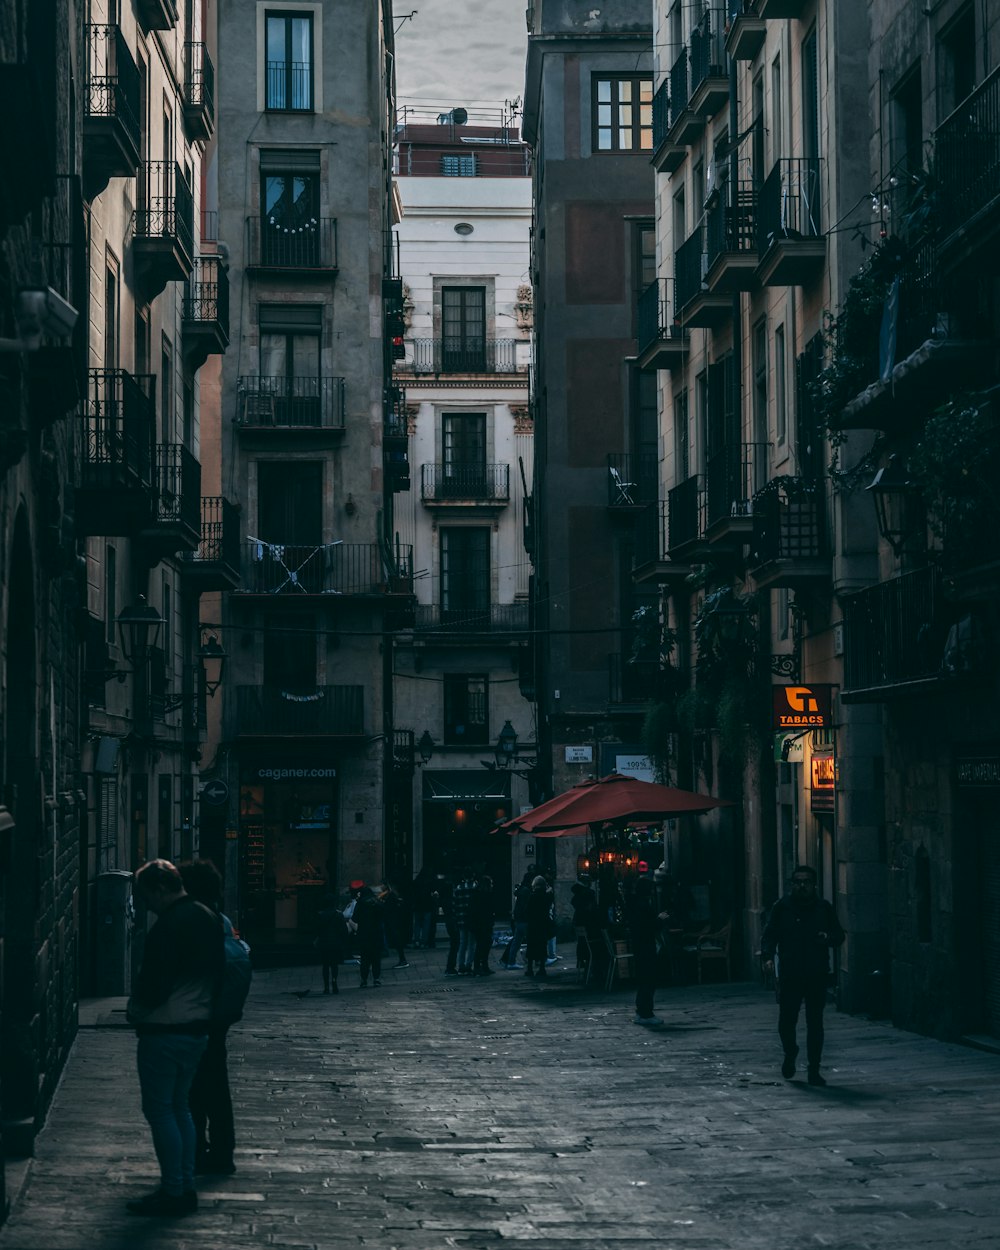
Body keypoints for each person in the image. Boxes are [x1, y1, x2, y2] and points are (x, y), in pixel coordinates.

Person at [125, 859, 224, 1217]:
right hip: (197, 1028)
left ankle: (173, 1190)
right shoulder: (208, 916)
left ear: (160, 888)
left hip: (165, 1028)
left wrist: (136, 1008)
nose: (145, 904)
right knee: (180, 1107)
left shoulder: (168, 926)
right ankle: (183, 1186)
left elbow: (154, 984)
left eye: (146, 895)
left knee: (161, 1110)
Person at [177, 859, 247, 1178]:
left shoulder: (195, 919)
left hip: (198, 1018)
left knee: (193, 1090)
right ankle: (221, 1151)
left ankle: (202, 1151)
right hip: (219, 1019)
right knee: (216, 1089)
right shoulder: (220, 917)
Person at [761, 865, 845, 1087]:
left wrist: (827, 937)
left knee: (815, 1023)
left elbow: (839, 935)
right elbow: (770, 935)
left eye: (806, 882)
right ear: (792, 884)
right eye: (797, 882)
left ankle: (814, 1069)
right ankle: (791, 1051)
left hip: (817, 973)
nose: (802, 886)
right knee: (786, 1021)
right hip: (790, 973)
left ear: (814, 885)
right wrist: (768, 957)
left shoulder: (823, 908)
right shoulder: (782, 908)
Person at [627, 876, 668, 1026]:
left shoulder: (634, 904)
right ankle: (646, 1013)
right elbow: (649, 926)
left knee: (643, 980)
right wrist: (661, 919)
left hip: (639, 946)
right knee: (649, 980)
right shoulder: (644, 905)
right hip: (646, 947)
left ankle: (641, 1011)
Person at [316, 892, 350, 993]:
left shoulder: (320, 915)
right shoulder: (339, 915)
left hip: (324, 942)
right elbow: (344, 930)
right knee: (334, 965)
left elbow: (317, 929)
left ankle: (326, 986)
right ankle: (334, 982)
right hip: (336, 942)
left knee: (325, 965)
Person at [353, 885, 385, 987]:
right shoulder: (377, 902)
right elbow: (383, 916)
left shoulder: (360, 903)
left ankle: (364, 980)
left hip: (364, 934)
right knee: (376, 958)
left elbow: (355, 919)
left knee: (365, 959)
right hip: (376, 934)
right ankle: (376, 978)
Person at [501, 870, 533, 969]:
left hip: (519, 919)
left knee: (517, 940)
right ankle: (525, 960)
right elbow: (525, 907)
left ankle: (511, 961)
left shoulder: (521, 890)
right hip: (524, 919)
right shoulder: (526, 891)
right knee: (528, 940)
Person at [524, 874, 552, 978]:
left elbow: (527, 911)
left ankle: (530, 968)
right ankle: (542, 968)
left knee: (531, 946)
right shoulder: (546, 896)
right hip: (543, 924)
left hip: (533, 925)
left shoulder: (533, 896)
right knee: (542, 946)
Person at [470, 873, 496, 975]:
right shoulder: (485, 895)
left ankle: (480, 966)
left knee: (482, 944)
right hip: (483, 923)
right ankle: (480, 966)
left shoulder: (476, 894)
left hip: (479, 923)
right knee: (483, 944)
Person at [380, 880, 410, 969]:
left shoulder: (391, 896)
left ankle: (403, 960)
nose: (381, 887)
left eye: (382, 885)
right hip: (394, 922)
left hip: (394, 922)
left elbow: (388, 909)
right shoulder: (390, 895)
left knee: (397, 941)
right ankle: (402, 960)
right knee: (397, 941)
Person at [452, 868, 476, 975]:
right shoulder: (476, 887)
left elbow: (454, 905)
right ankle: (468, 965)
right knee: (471, 944)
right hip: (472, 919)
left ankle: (460, 965)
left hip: (461, 919)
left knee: (462, 943)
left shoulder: (458, 888)